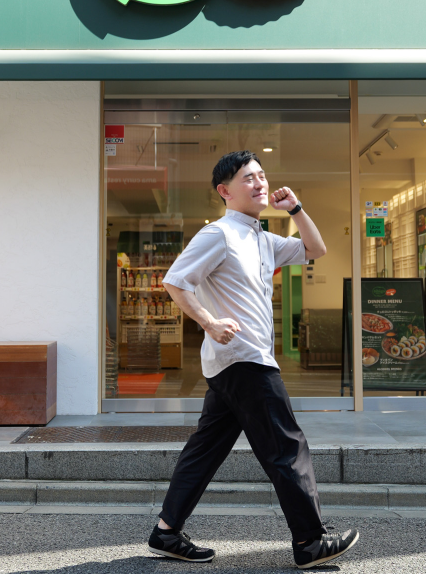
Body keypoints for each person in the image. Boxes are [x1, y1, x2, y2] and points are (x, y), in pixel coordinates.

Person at [146, 151, 359, 569]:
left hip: (237, 361)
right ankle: (310, 542)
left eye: (262, 175)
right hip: (245, 358)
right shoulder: (219, 234)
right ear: (225, 191)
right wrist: (209, 322)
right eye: (248, 178)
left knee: (205, 449)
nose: (260, 183)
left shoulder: (262, 238)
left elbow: (315, 248)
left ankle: (166, 532)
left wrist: (295, 208)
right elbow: (176, 281)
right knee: (286, 447)